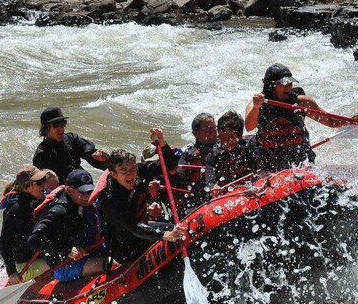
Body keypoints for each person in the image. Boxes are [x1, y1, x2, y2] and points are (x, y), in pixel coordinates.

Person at [99, 128, 186, 264]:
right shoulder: (112, 201)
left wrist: (162, 142)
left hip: (142, 231)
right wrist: (163, 235)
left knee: (176, 230)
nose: (130, 173)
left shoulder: (137, 170)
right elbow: (135, 227)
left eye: (132, 168)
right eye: (124, 171)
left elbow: (169, 165)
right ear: (113, 174)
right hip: (125, 247)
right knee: (168, 235)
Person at [244, 63, 348, 172]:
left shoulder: (302, 102)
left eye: (290, 83)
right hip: (269, 162)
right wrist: (256, 107)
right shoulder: (255, 105)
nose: (288, 87)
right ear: (271, 85)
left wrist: (351, 121)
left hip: (299, 160)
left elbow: (331, 121)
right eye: (283, 84)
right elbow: (249, 127)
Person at [27, 169, 105, 281]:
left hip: (86, 252)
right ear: (68, 190)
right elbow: (33, 240)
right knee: (110, 262)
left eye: (89, 192)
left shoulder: (82, 203)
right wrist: (67, 250)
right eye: (82, 192)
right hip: (64, 265)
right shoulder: (58, 211)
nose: (87, 196)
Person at [0, 165, 49, 284]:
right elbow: (4, 245)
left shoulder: (40, 201)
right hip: (25, 266)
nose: (44, 185)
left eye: (44, 180)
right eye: (39, 182)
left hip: (40, 256)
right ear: (27, 188)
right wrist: (11, 272)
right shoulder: (15, 210)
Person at [33, 107, 109, 184]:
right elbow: (45, 186)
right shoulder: (41, 155)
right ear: (45, 128)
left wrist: (104, 160)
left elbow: (95, 159)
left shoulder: (72, 139)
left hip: (84, 183)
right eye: (56, 125)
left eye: (62, 123)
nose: (61, 128)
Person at [203, 110, 257, 195]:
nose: (225, 142)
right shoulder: (213, 155)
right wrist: (213, 186)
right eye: (221, 137)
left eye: (230, 138)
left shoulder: (249, 146)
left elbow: (260, 168)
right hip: (228, 196)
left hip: (250, 189)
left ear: (239, 136)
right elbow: (210, 179)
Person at [178, 112, 218, 210]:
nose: (212, 132)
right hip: (200, 202)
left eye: (213, 128)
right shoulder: (188, 155)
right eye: (207, 129)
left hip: (225, 193)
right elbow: (178, 177)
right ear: (195, 132)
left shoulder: (225, 146)